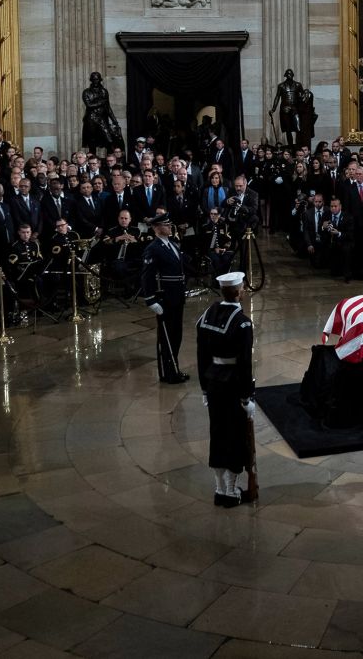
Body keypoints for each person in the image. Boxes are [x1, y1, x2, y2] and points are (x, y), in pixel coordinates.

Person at [196, 270, 255, 507]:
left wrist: (203, 388)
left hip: (213, 382)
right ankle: (230, 492)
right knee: (235, 437)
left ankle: (219, 488)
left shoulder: (207, 315)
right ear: (239, 292)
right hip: (232, 386)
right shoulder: (242, 323)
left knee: (218, 434)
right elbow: (244, 364)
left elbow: (201, 356)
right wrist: (246, 398)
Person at [139, 214, 189, 384]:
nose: (170, 227)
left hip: (177, 296)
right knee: (167, 337)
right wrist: (151, 300)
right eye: (166, 224)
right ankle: (168, 372)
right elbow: (147, 276)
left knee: (177, 335)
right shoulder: (153, 248)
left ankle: (174, 368)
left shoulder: (172, 244)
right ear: (157, 227)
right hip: (165, 298)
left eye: (169, 224)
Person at [80, 72, 123, 152]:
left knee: (109, 139)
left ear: (100, 80)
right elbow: (89, 105)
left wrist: (114, 121)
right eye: (94, 79)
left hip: (102, 118)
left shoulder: (104, 91)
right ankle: (93, 159)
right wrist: (101, 103)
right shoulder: (86, 92)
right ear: (91, 80)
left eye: (97, 79)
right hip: (91, 118)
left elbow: (108, 107)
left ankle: (110, 158)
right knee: (92, 141)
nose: (95, 81)